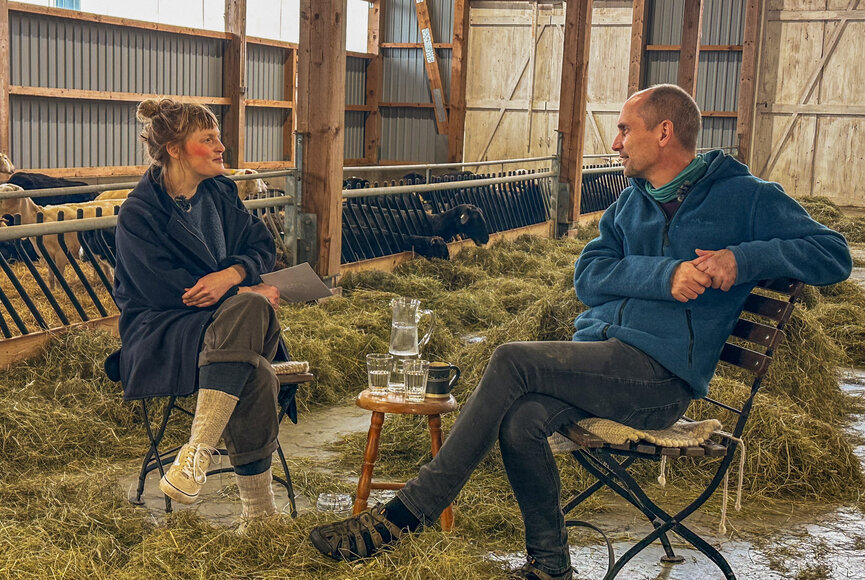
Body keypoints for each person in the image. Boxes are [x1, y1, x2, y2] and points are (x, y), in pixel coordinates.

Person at [308, 84, 853, 580]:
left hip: (659, 381)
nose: (614, 143)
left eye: (624, 129)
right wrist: (666, 276)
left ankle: (409, 512)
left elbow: (834, 254)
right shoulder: (631, 204)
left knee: (512, 359)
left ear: (664, 133)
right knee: (521, 421)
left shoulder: (747, 197)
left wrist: (742, 257)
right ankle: (551, 567)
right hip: (605, 361)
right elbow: (588, 277)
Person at [112, 98, 286, 521]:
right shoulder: (140, 212)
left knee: (246, 310)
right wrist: (245, 291)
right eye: (208, 139)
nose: (221, 146)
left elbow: (262, 246)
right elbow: (167, 291)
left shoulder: (220, 191)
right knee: (256, 367)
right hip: (165, 331)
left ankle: (196, 453)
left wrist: (233, 276)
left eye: (218, 137)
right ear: (175, 149)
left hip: (225, 331)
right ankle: (259, 514)